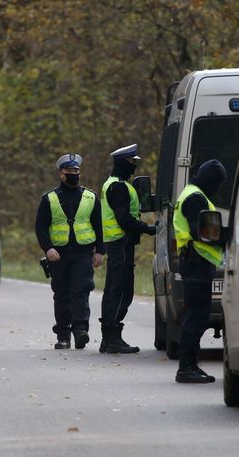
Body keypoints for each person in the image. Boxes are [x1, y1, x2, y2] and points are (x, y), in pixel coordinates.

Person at [35, 154, 105, 350]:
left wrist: (100, 251)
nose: (74, 175)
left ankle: (81, 331)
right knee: (62, 295)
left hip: (83, 253)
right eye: (69, 172)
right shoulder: (49, 199)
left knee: (80, 291)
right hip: (59, 255)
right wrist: (48, 248)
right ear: (61, 174)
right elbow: (40, 226)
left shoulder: (91, 197)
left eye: (76, 172)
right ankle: (63, 336)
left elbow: (99, 226)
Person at [173, 159, 226, 383]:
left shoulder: (193, 193)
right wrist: (227, 236)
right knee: (195, 317)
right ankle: (186, 368)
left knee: (197, 315)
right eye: (218, 183)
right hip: (196, 262)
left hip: (197, 262)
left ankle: (191, 365)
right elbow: (202, 231)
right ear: (211, 181)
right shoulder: (195, 198)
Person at [99, 144, 156, 354]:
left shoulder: (111, 184)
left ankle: (108, 338)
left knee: (113, 289)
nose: (134, 168)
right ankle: (112, 337)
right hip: (121, 243)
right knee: (122, 290)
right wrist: (149, 229)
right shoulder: (120, 187)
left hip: (116, 243)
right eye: (132, 163)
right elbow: (125, 219)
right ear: (124, 163)